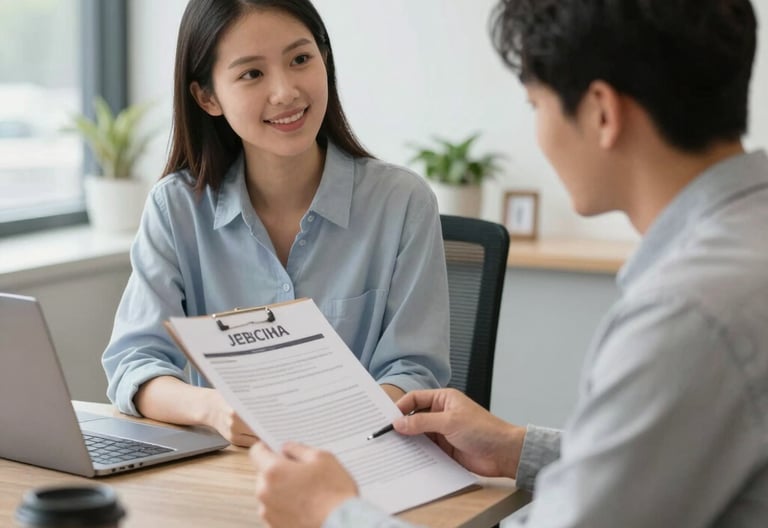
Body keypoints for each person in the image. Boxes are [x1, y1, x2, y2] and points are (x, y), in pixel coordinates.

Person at [249, 0, 768, 526]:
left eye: (535, 105)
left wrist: (330, 511)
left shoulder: (687, 314)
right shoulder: (744, 252)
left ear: (602, 114)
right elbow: (662, 466)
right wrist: (517, 448)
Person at [101, 0, 450, 447]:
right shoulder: (176, 209)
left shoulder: (402, 202)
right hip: (229, 476)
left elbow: (415, 370)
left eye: (300, 59)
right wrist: (215, 410)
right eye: (252, 74)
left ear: (324, 59)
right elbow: (136, 363)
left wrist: (345, 425)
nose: (285, 91)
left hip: (364, 465)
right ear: (207, 97)